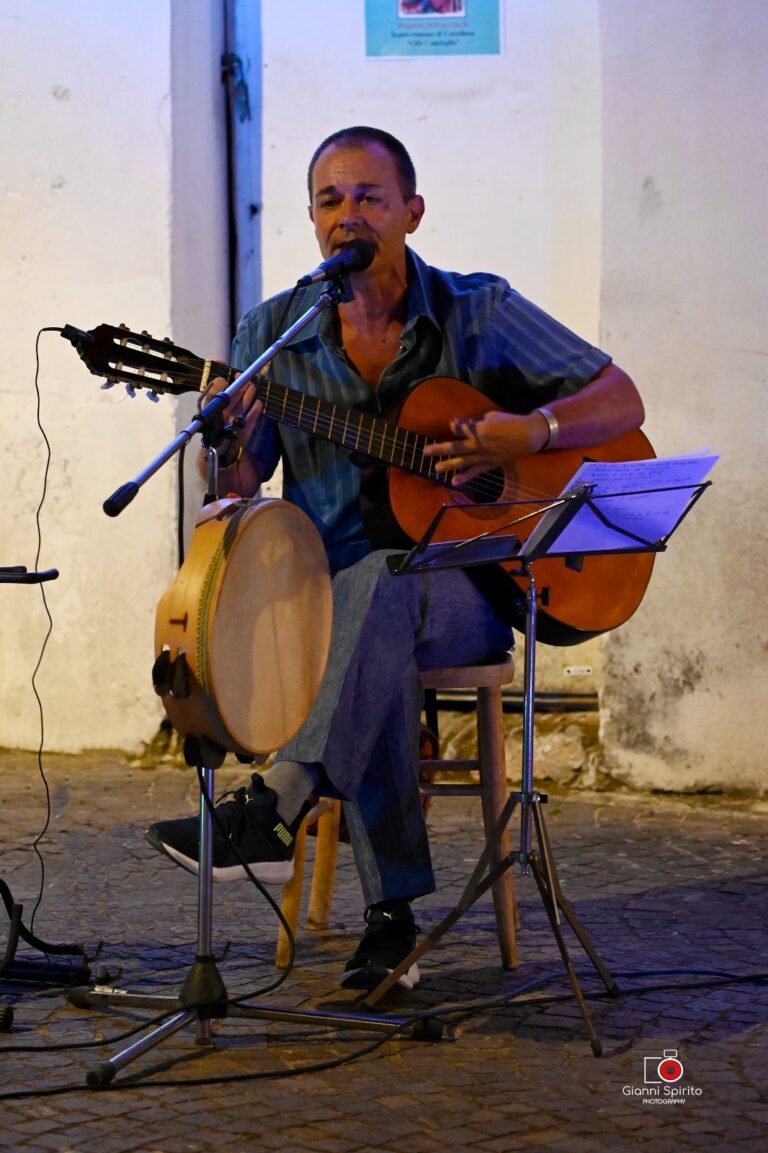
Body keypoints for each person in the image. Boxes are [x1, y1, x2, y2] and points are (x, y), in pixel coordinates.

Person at [145, 126, 644, 991]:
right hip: (330, 604)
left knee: (383, 585)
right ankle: (387, 922)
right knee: (369, 611)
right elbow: (237, 488)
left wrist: (532, 432)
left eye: (369, 197)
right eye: (330, 200)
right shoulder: (275, 334)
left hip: (470, 592)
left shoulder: (477, 308)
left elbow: (621, 398)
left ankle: (281, 803)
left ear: (412, 211)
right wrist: (223, 442)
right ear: (311, 219)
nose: (349, 214)